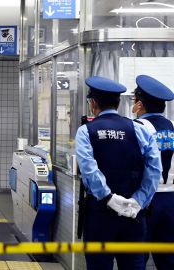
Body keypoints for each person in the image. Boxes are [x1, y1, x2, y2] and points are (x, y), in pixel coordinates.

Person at [75, 76, 161, 270]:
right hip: (134, 213)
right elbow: (155, 170)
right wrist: (139, 201)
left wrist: (108, 198)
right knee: (133, 265)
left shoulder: (86, 131)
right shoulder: (140, 129)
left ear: (93, 103)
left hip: (99, 213)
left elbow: (89, 169)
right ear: (119, 102)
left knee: (99, 265)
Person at [131, 75, 174, 270]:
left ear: (139, 105)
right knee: (168, 260)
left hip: (145, 201)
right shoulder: (172, 126)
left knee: (137, 259)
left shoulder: (137, 128)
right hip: (171, 201)